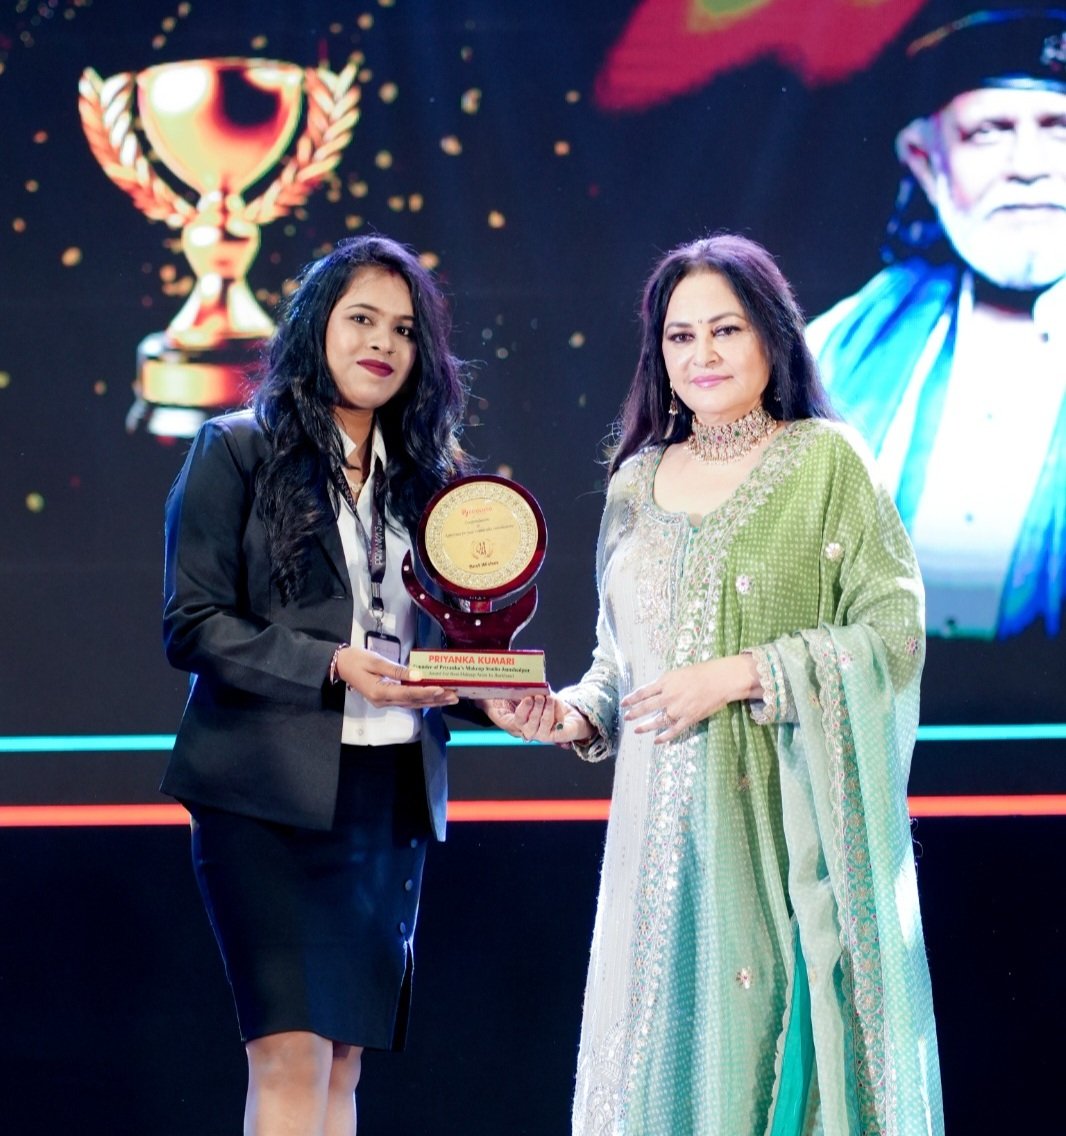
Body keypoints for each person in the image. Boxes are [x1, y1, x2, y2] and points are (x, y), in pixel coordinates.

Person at [487, 234, 944, 1134]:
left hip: (780, 833)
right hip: (657, 847)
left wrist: (745, 674)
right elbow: (621, 668)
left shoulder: (826, 462)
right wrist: (566, 715)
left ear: (773, 337)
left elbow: (892, 636)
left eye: (726, 330)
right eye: (680, 335)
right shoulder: (635, 482)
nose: (702, 354)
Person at [162, 234, 475, 1135]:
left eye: (404, 329)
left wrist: (498, 687)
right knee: (291, 1054)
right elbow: (193, 624)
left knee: (342, 1063)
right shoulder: (237, 450)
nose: (383, 343)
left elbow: (449, 641)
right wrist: (331, 664)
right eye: (361, 319)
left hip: (388, 798)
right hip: (267, 798)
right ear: (316, 328)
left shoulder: (433, 479)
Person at [807, 7, 1066, 640]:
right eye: (988, 133)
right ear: (925, 161)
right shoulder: (838, 348)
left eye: (1059, 128)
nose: (1028, 165)